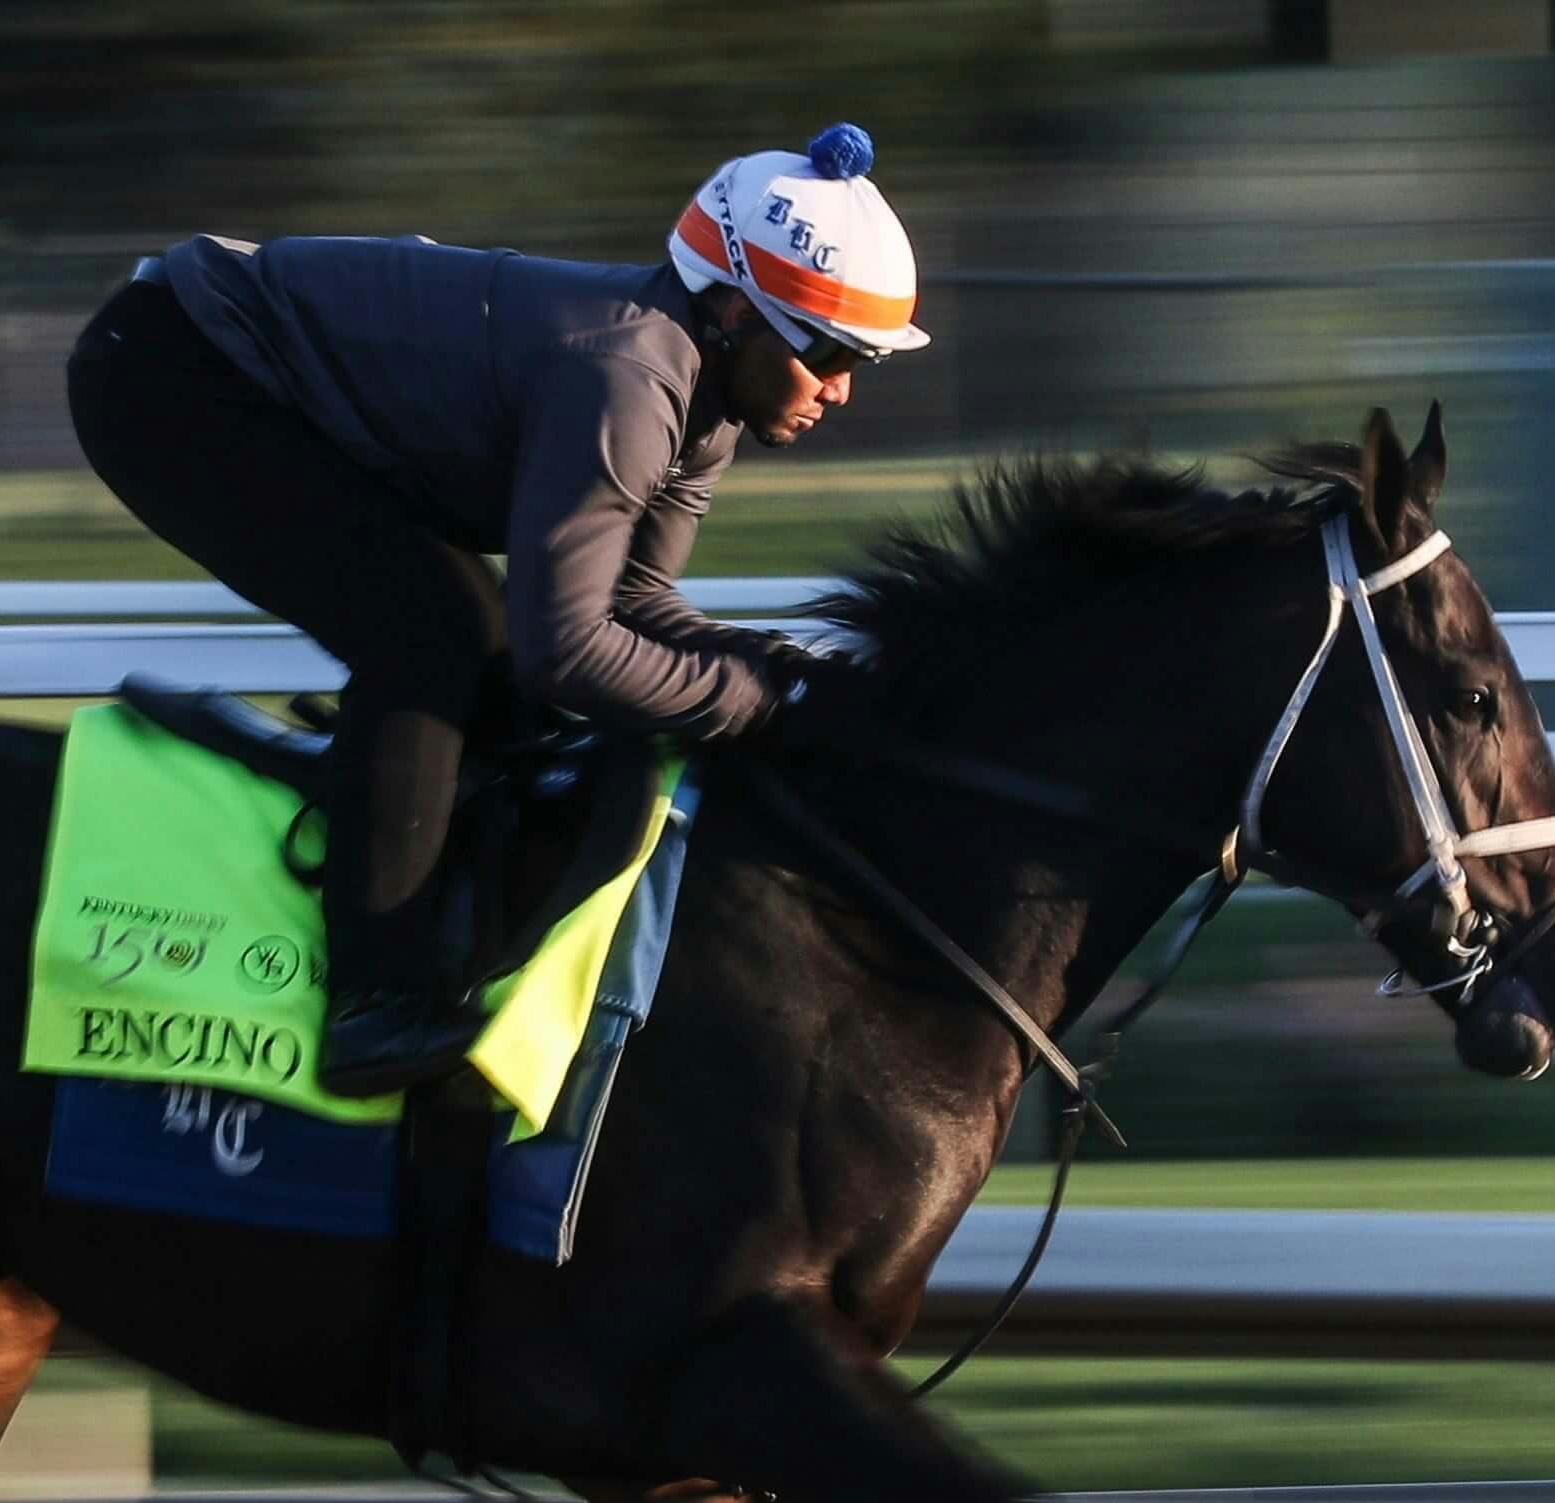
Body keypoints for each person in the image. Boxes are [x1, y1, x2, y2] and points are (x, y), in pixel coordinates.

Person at [66, 123, 930, 1097]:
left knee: (477, 638)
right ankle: (372, 998)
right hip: (169, 370)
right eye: (822, 350)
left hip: (240, 371)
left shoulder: (703, 409)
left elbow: (631, 604)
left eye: (862, 359)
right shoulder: (629, 377)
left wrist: (792, 675)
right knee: (434, 636)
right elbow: (569, 651)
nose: (840, 389)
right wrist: (759, 703)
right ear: (731, 307)